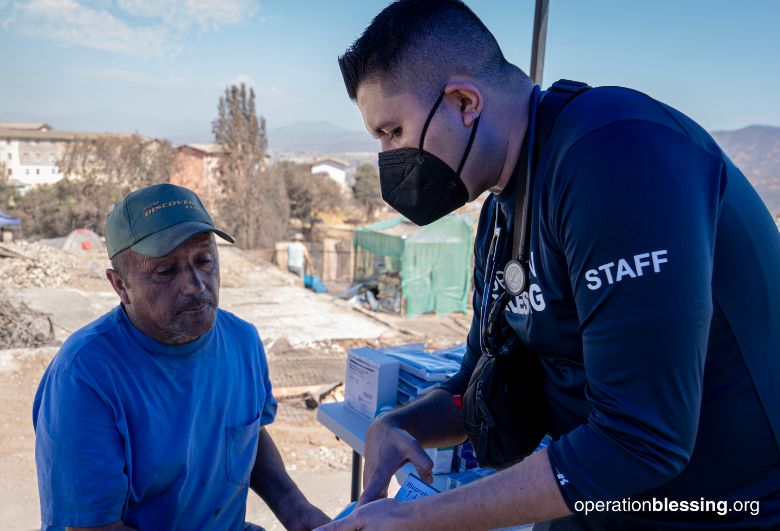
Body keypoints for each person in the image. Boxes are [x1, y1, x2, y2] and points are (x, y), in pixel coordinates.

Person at [318, 1, 780, 530]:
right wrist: (402, 422)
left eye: (393, 132)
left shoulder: (613, 152)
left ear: (465, 101)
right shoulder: (499, 214)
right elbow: (478, 384)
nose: (388, 159)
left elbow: (642, 437)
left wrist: (419, 518)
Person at [33, 184, 330, 531]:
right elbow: (95, 528)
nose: (196, 285)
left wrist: (297, 511)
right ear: (121, 286)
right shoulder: (83, 376)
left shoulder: (243, 341)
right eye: (166, 271)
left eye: (204, 261)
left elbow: (248, 436)